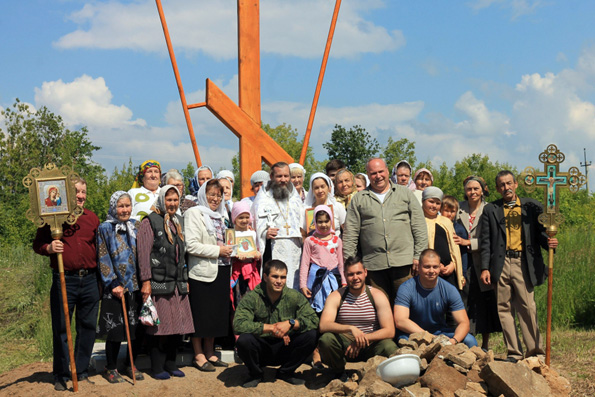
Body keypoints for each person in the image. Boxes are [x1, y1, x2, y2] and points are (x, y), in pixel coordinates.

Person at [480, 170, 557, 362]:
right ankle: (514, 353)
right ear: (497, 189)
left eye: (509, 183)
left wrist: (550, 241)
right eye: (502, 185)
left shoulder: (531, 206)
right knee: (504, 308)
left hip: (524, 261)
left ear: (516, 184)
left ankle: (535, 353)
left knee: (527, 307)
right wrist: (485, 268)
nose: (506, 188)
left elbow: (541, 233)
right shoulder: (491, 209)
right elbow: (486, 241)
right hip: (500, 262)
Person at [33, 178, 100, 391]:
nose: (81, 196)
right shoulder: (52, 218)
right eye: (76, 192)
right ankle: (61, 374)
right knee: (62, 327)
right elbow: (37, 244)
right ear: (67, 194)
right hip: (65, 279)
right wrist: (49, 248)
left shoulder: (92, 218)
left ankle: (80, 371)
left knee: (88, 326)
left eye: (83, 192)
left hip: (89, 278)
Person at [343, 158, 428, 305]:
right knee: (380, 309)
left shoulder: (406, 194)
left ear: (388, 171)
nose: (378, 176)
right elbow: (351, 234)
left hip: (404, 263)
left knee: (407, 306)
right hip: (373, 266)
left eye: (381, 171)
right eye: (373, 173)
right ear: (368, 176)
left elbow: (419, 226)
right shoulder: (358, 199)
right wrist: (350, 265)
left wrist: (418, 255)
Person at [137, 185, 194, 379]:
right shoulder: (150, 221)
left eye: (175, 200)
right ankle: (157, 367)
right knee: (159, 328)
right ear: (162, 200)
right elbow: (144, 254)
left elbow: (182, 254)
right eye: (169, 200)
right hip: (159, 282)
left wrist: (184, 279)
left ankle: (171, 364)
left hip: (177, 282)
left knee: (177, 327)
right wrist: (146, 281)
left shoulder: (177, 221)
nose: (172, 203)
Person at [233, 260, 319, 388]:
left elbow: (314, 320)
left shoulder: (294, 296)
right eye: (275, 276)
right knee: (244, 340)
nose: (279, 281)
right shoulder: (252, 297)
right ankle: (256, 374)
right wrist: (270, 328)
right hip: (261, 349)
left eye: (283, 277)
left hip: (285, 347)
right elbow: (238, 325)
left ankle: (286, 372)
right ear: (265, 277)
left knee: (312, 335)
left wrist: (291, 323)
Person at [318, 256, 397, 380]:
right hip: (346, 346)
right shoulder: (336, 296)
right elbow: (323, 325)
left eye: (359, 273)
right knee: (326, 340)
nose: (355, 278)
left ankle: (386, 376)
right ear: (344, 275)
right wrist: (350, 328)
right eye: (350, 274)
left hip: (371, 344)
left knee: (390, 347)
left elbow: (389, 330)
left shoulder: (377, 295)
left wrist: (363, 339)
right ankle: (338, 372)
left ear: (365, 272)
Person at [184, 179, 234, 371]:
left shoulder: (221, 215)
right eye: (211, 194)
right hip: (202, 272)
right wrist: (218, 251)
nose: (215, 198)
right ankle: (198, 354)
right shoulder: (194, 213)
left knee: (215, 314)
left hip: (221, 269)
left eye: (218, 195)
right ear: (203, 194)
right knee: (201, 314)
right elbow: (191, 245)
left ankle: (210, 352)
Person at [96, 191, 144, 383]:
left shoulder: (135, 226)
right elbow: (102, 255)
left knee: (135, 328)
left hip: (135, 285)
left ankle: (129, 363)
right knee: (115, 330)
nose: (125, 210)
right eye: (121, 206)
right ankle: (111, 366)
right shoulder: (105, 228)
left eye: (127, 205)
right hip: (115, 287)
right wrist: (112, 282)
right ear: (113, 207)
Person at [394, 249, 478, 348]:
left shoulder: (449, 289)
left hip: (439, 333)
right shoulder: (406, 288)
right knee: (406, 345)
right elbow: (400, 321)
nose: (431, 271)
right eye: (427, 267)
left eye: (435, 267)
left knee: (470, 340)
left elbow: (464, 323)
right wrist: (428, 337)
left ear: (439, 268)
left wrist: (453, 341)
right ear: (419, 267)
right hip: (412, 333)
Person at [455, 176, 501, 351]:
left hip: (483, 262)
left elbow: (494, 238)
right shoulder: (458, 208)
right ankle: (467, 342)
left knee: (485, 303)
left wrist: (470, 243)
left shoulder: (490, 209)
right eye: (469, 189)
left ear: (483, 190)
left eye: (476, 188)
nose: (472, 192)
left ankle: (486, 344)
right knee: (465, 301)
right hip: (463, 263)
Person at [252, 162, 304, 289]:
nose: (283, 180)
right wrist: (264, 233)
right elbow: (255, 223)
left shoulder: (294, 197)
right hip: (273, 247)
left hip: (295, 249)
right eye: (279, 176)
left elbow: (302, 221)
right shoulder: (263, 198)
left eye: (286, 176)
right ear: (271, 177)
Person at [421, 187, 464, 291]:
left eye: (437, 203)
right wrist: (436, 265)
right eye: (431, 202)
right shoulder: (419, 221)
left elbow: (454, 247)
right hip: (429, 271)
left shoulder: (446, 221)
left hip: (448, 270)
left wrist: (453, 264)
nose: (434, 206)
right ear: (423, 201)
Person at [230, 201, 262, 309]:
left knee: (253, 298)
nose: (244, 220)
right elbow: (230, 252)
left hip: (251, 270)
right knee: (239, 298)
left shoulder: (252, 233)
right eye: (241, 217)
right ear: (235, 218)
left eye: (246, 217)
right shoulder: (232, 234)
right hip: (238, 271)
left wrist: (257, 255)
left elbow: (257, 249)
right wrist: (236, 255)